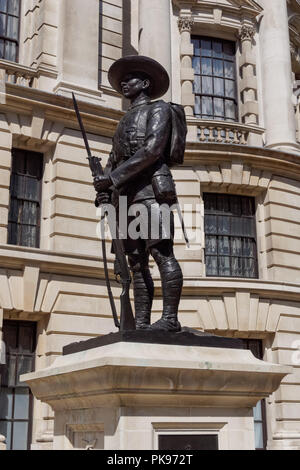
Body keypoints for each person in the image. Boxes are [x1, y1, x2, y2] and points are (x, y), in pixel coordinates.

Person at [94, 55, 183, 332]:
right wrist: (104, 189)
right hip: (125, 199)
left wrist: (111, 178)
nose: (123, 83)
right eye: (122, 80)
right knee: (135, 263)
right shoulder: (123, 121)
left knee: (161, 253)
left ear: (144, 83)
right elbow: (114, 159)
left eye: (130, 78)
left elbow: (152, 150)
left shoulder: (159, 110)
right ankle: (141, 324)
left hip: (151, 193)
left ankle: (170, 318)